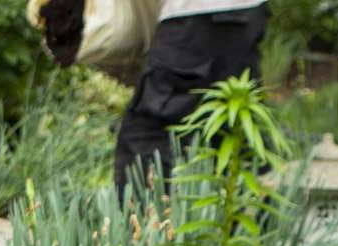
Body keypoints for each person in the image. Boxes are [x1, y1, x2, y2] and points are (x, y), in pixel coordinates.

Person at [113, 0, 268, 194]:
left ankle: (149, 210)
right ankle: (243, 206)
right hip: (241, 14)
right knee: (231, 128)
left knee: (150, 131)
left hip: (197, 14)